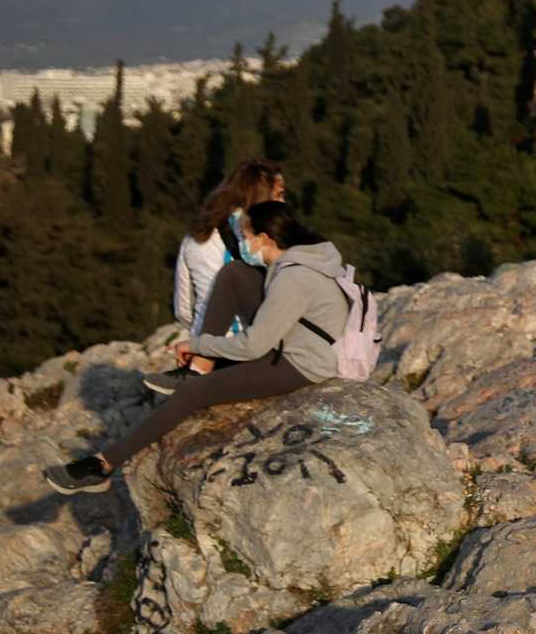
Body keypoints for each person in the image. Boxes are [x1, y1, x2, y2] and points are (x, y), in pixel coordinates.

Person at [46, 202, 352, 494]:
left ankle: (102, 466)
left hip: (301, 363)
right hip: (291, 340)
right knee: (235, 274)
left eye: (246, 237)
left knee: (194, 394)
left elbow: (254, 346)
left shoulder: (294, 277)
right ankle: (199, 368)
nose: (244, 244)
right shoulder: (302, 258)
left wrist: (197, 343)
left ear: (264, 238)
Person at [173, 158, 286, 340]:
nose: (284, 202)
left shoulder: (194, 237)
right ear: (262, 197)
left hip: (203, 346)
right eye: (279, 195)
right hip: (247, 349)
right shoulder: (268, 242)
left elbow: (183, 310)